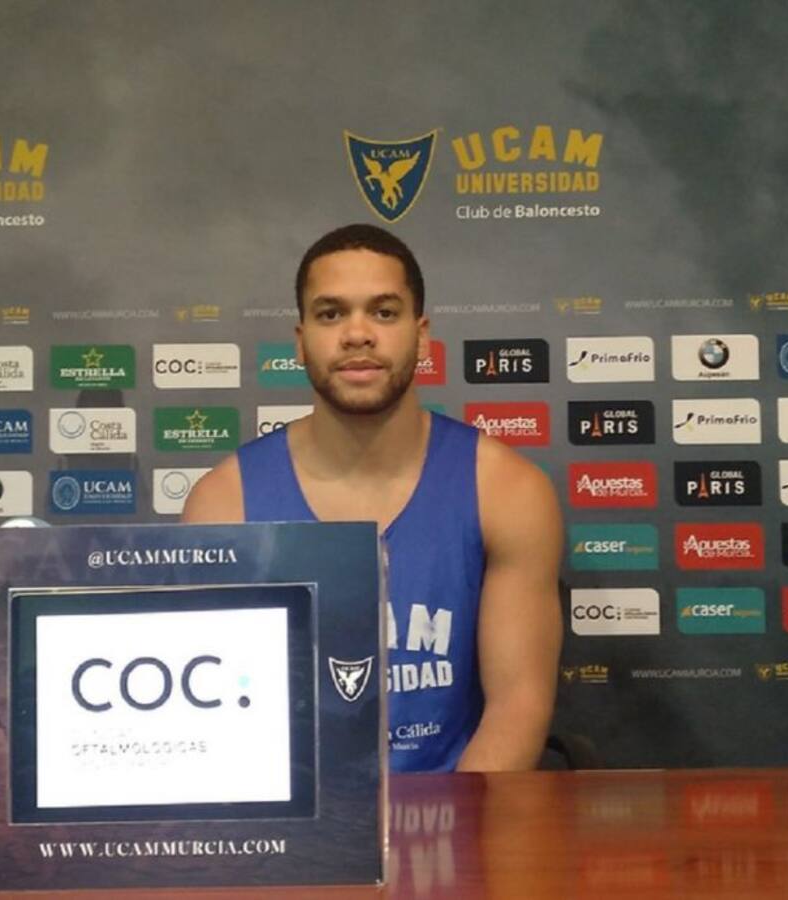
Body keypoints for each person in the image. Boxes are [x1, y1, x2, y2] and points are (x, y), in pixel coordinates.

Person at [182, 223, 562, 772]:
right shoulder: (224, 503)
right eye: (331, 314)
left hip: (455, 811)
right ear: (300, 340)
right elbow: (214, 718)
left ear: (422, 336)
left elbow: (517, 706)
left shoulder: (506, 490)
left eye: (383, 312)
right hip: (294, 818)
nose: (357, 334)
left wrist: (454, 823)